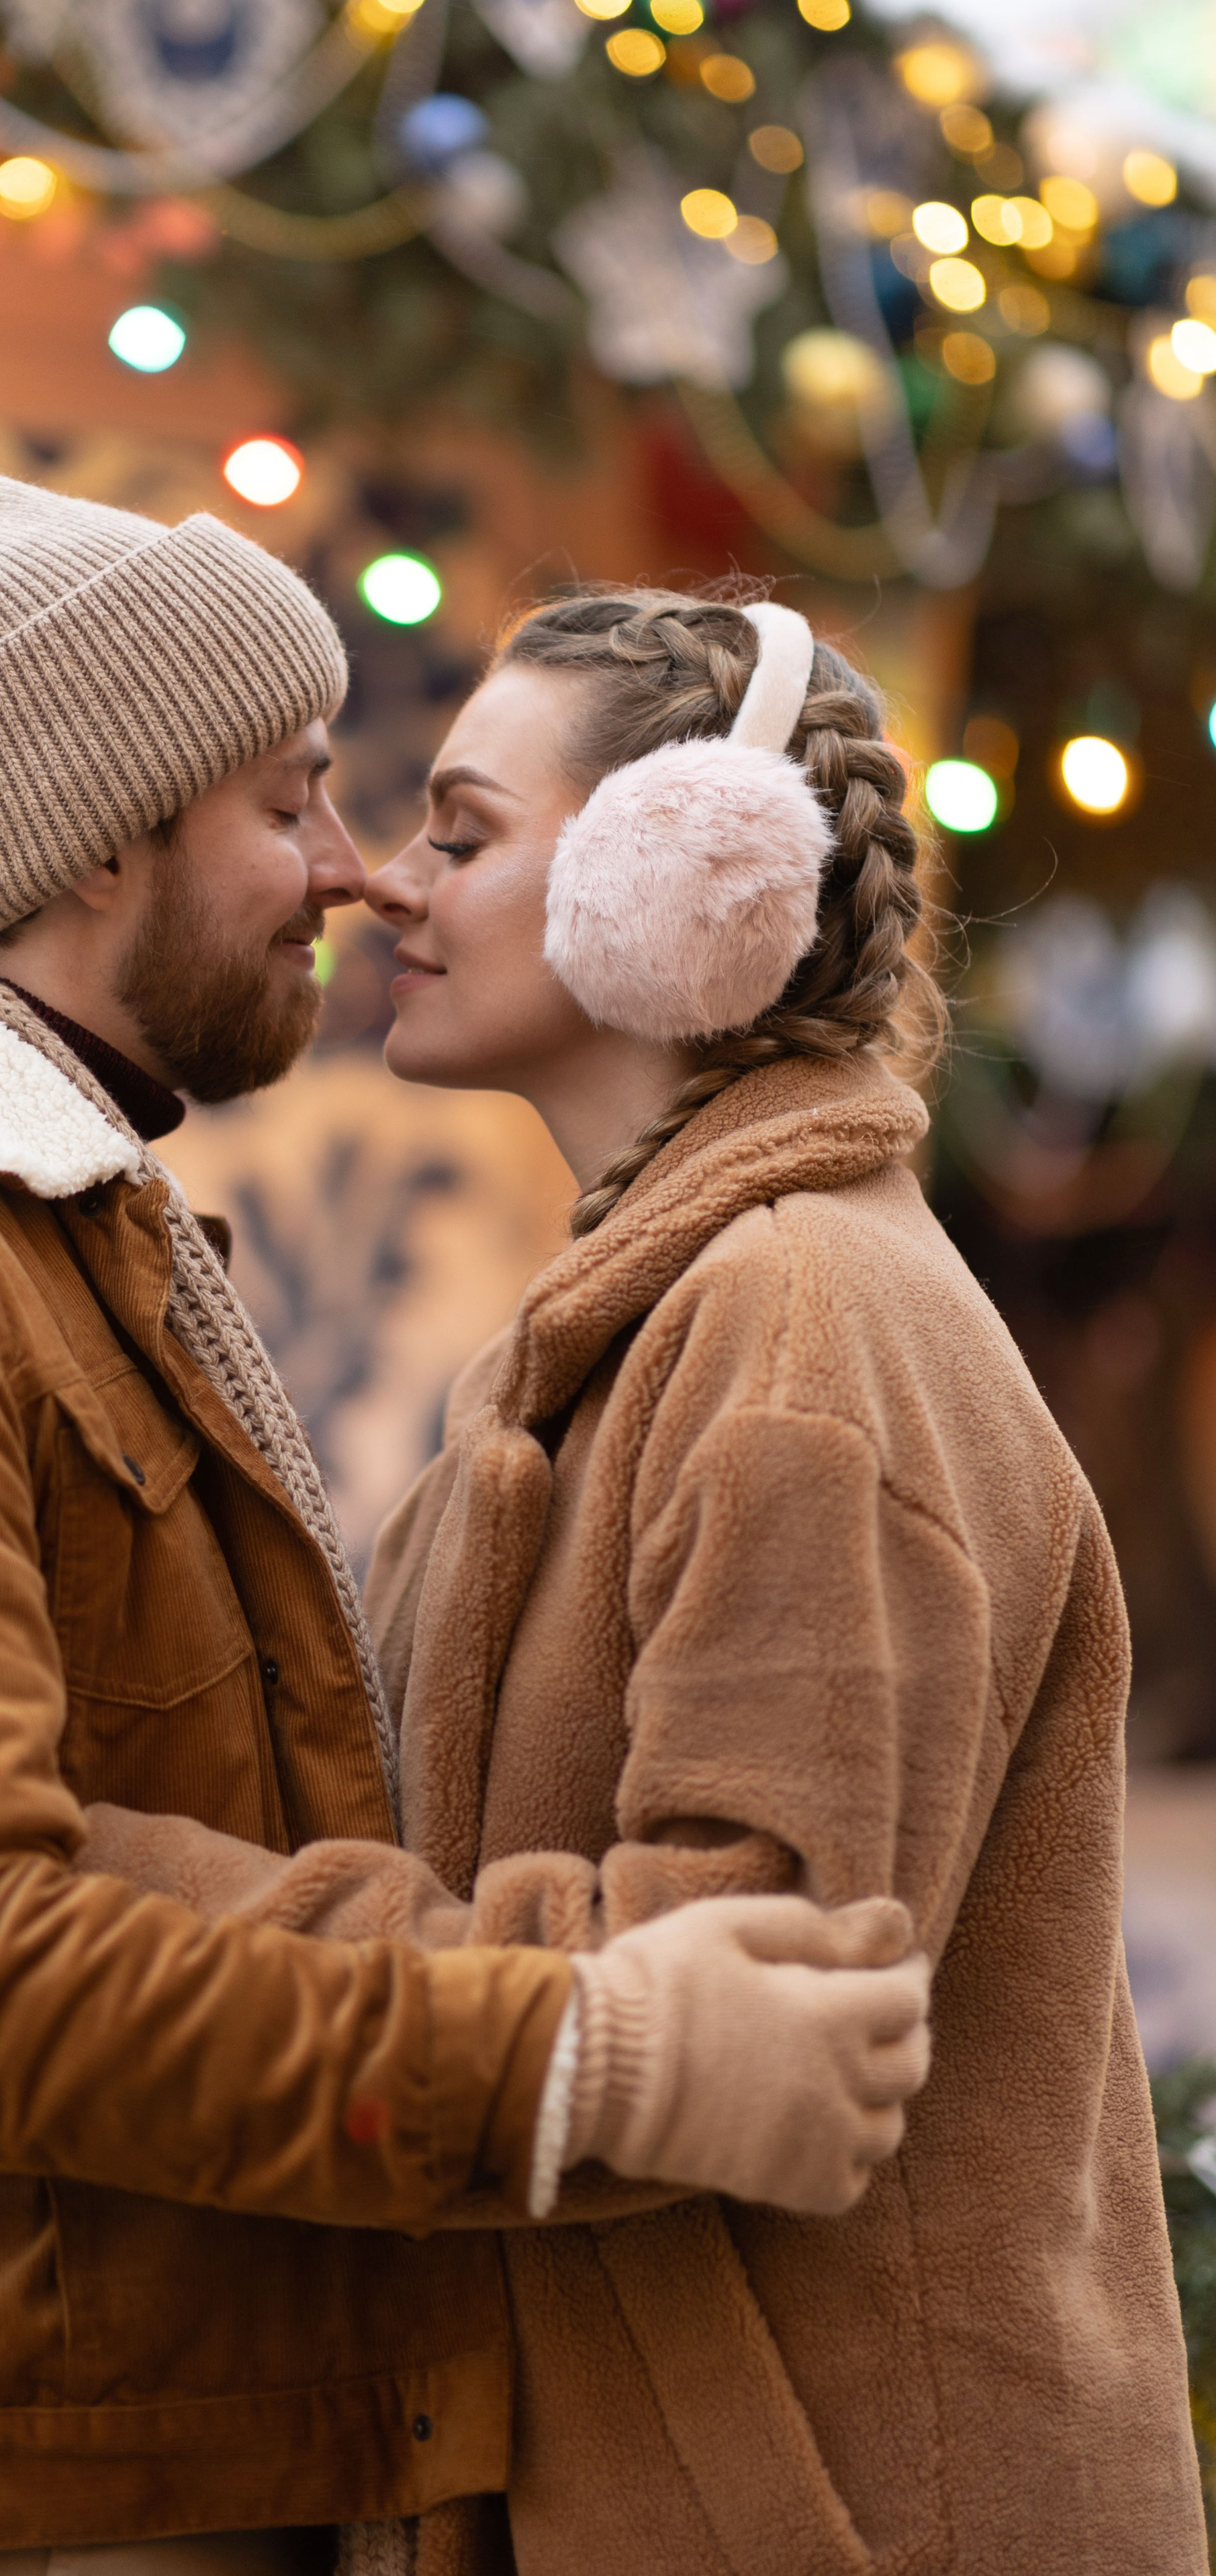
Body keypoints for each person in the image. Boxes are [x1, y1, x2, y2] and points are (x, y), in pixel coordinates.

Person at [0, 471, 930, 2576]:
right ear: (103, 834)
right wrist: (582, 2050)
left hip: (108, 2456)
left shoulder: (34, 1230)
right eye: (294, 803)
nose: (350, 875)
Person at [343, 587, 1204, 2573]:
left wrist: (204, 1926)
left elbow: (753, 1999)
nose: (389, 881)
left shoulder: (800, 1335)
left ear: (682, 874)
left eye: (464, 831)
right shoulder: (664, 1310)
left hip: (845, 2513)